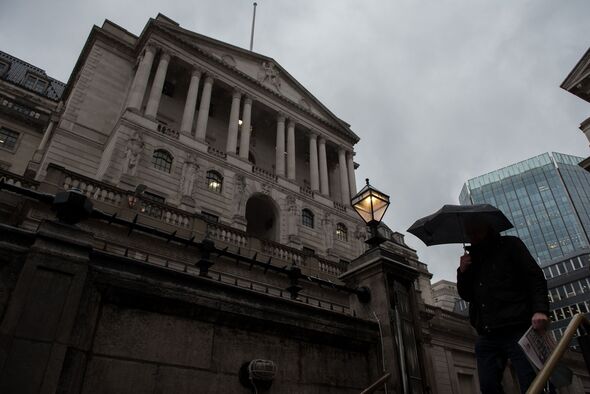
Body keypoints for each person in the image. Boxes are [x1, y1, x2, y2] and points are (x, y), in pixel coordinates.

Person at [457, 218, 549, 394]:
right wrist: (462, 272)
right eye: (469, 232)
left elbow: (535, 277)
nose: (472, 235)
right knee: (488, 385)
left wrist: (540, 310)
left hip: (517, 327)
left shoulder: (511, 245)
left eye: (476, 230)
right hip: (487, 333)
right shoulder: (470, 260)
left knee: (531, 382)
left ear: (487, 227)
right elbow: (466, 295)